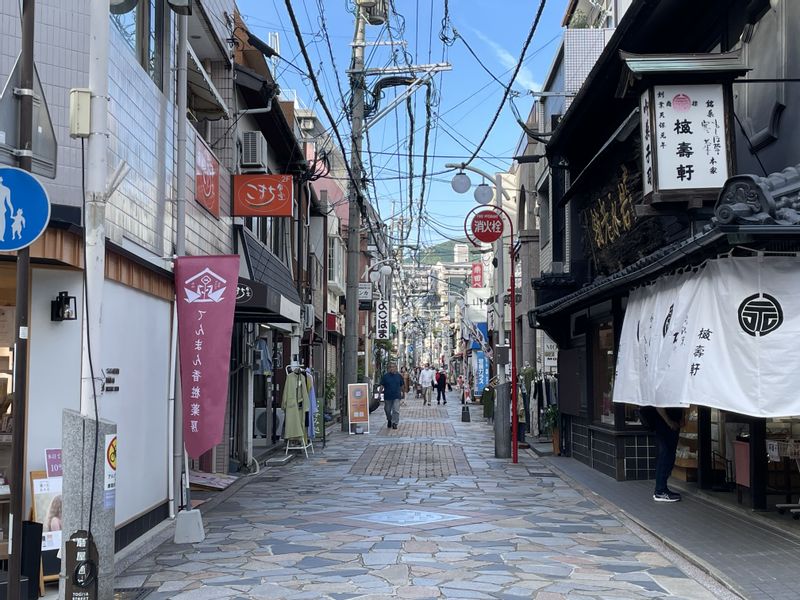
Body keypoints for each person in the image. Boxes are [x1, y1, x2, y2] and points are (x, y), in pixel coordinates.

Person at [643, 406, 684, 502]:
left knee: (669, 455)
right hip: (664, 424)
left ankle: (662, 489)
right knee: (666, 454)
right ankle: (660, 490)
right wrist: (669, 421)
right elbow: (659, 404)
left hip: (672, 423)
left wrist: (682, 417)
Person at [380, 363, 404, 429]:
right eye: (390, 367)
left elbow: (402, 385)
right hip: (387, 396)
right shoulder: (385, 376)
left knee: (396, 410)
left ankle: (395, 423)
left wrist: (403, 393)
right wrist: (379, 394)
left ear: (396, 368)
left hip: (396, 395)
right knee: (387, 410)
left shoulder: (399, 376)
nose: (392, 368)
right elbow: (382, 385)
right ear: (388, 368)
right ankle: (389, 419)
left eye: (393, 367)